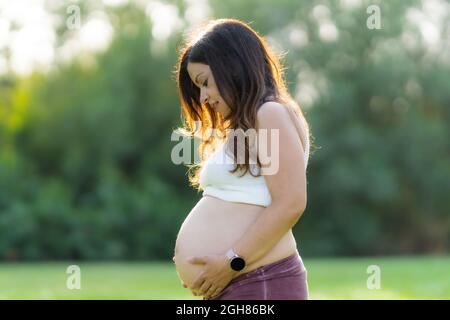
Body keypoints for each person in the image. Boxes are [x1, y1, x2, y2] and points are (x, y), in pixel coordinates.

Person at [172, 18, 311, 300]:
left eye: (205, 82)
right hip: (244, 281)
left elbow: (291, 203)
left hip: (261, 281)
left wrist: (230, 262)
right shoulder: (250, 123)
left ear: (232, 66)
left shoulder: (269, 113)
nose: (203, 97)